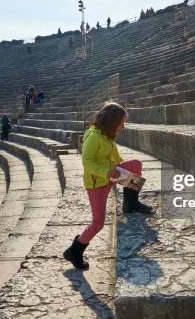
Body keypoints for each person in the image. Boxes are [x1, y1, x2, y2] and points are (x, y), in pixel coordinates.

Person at [63, 103, 152, 270]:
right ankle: (74, 251)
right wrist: (107, 173)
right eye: (121, 123)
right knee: (98, 223)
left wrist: (124, 172)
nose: (123, 126)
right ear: (112, 122)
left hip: (110, 176)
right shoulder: (94, 137)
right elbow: (87, 162)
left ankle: (130, 203)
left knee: (136, 164)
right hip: (97, 183)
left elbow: (117, 159)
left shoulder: (109, 136)